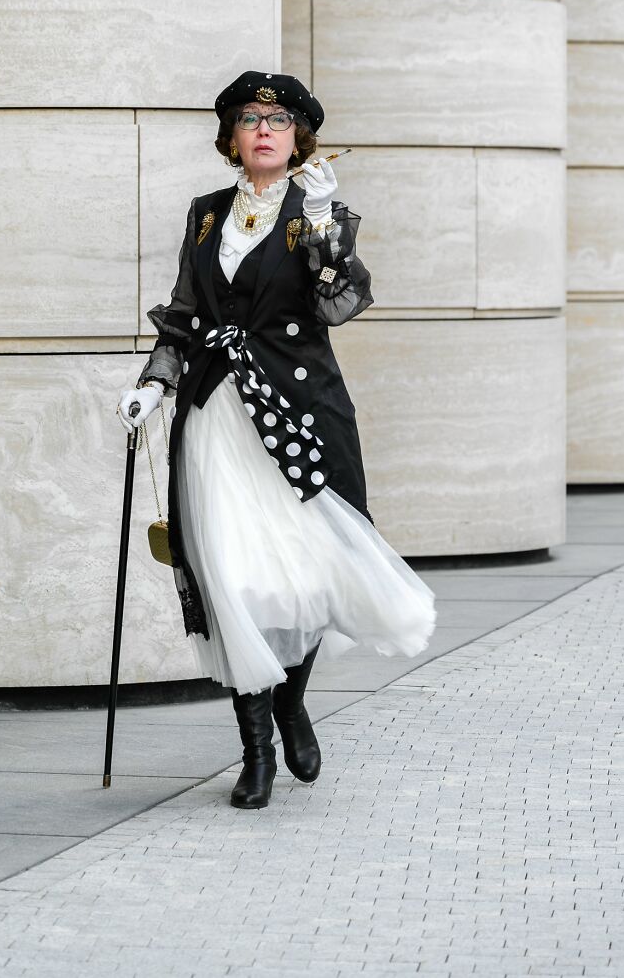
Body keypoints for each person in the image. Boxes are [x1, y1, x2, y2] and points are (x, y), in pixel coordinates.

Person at [117, 70, 437, 809]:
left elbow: (342, 303)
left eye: (280, 119)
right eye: (250, 117)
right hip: (216, 416)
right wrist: (154, 382)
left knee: (307, 574)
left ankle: (291, 700)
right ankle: (255, 749)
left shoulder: (316, 209)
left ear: (299, 139)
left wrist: (326, 227)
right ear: (231, 136)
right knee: (232, 576)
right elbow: (186, 315)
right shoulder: (205, 217)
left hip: (298, 412)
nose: (265, 127)